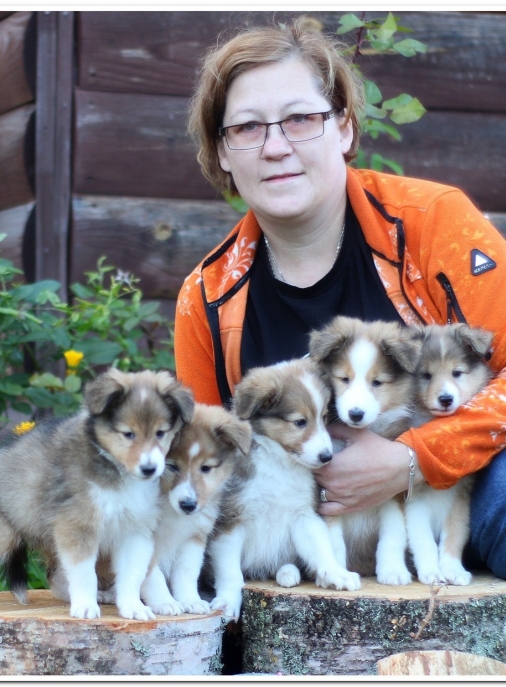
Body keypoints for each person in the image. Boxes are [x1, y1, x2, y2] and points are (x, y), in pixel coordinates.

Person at [174, 18, 506, 578]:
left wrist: (412, 459)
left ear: (345, 128)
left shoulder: (433, 224)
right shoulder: (206, 296)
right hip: (300, 539)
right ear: (223, 152)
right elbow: (203, 455)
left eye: (301, 119)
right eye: (247, 128)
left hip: (459, 502)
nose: (275, 147)